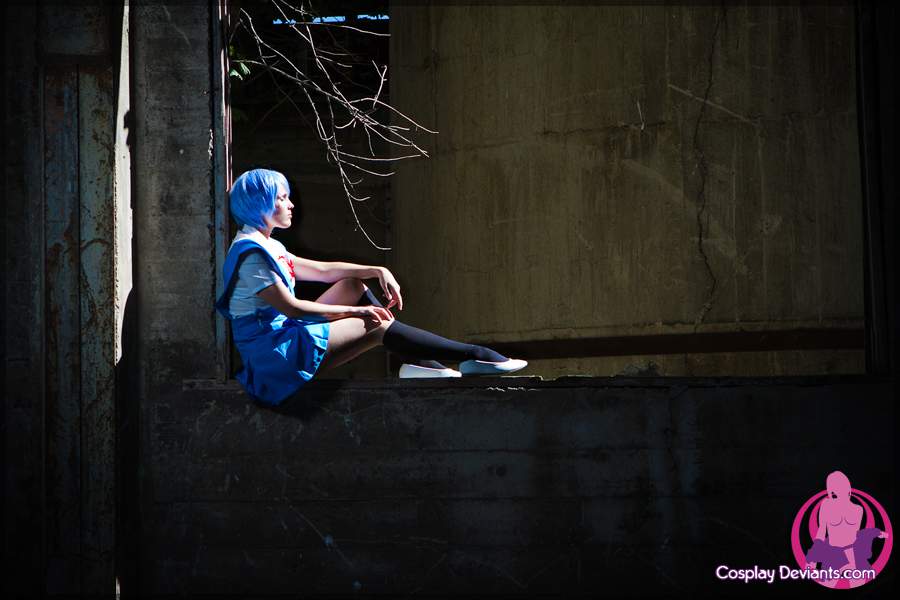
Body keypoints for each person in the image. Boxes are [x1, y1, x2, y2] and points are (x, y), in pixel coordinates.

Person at [215, 168, 527, 406]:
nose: (291, 204)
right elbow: (293, 308)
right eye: (281, 198)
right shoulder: (252, 254)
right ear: (259, 203)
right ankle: (474, 354)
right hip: (274, 356)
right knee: (375, 324)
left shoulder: (267, 243)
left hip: (283, 337)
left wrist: (378, 270)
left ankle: (419, 363)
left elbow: (322, 271)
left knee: (352, 285)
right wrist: (356, 312)